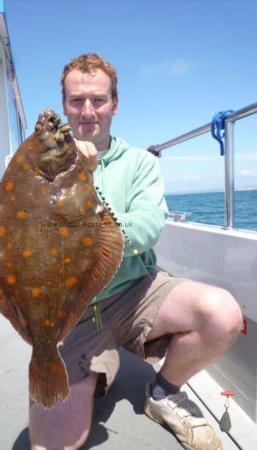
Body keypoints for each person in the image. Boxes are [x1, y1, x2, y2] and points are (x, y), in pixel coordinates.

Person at [29, 53, 243, 450]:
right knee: (52, 446)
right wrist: (76, 176)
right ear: (65, 105)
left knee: (223, 314)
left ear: (115, 104)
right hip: (70, 313)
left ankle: (163, 392)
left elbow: (145, 229)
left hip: (136, 291)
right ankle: (94, 367)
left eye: (98, 100)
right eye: (77, 101)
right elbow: (33, 238)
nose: (87, 111)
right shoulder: (38, 167)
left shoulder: (140, 163)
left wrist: (84, 213)